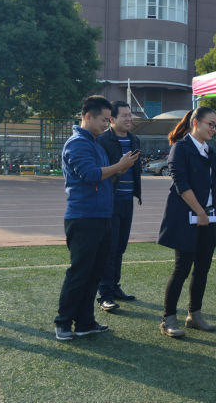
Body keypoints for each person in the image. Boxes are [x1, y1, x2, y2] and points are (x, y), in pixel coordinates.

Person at [54, 96, 136, 341]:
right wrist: (119, 166)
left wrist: (119, 170)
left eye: (109, 119)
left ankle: (84, 322)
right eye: (104, 119)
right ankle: (63, 323)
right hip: (84, 217)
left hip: (101, 216)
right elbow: (90, 175)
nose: (107, 124)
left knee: (94, 273)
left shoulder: (94, 143)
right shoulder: (78, 144)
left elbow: (102, 177)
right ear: (88, 116)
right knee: (79, 273)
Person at [158, 107, 216, 338]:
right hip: (188, 218)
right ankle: (168, 319)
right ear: (196, 122)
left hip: (207, 217)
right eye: (211, 124)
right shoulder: (181, 148)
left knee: (202, 268)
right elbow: (181, 184)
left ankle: (194, 314)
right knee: (182, 269)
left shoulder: (207, 150)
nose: (214, 129)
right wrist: (199, 212)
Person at [96, 101, 142, 312]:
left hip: (127, 201)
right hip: (110, 201)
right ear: (112, 119)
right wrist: (118, 170)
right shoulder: (103, 140)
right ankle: (104, 295)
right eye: (124, 115)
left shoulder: (134, 140)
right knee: (109, 248)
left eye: (130, 115)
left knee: (121, 246)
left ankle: (114, 287)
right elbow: (100, 171)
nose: (129, 119)